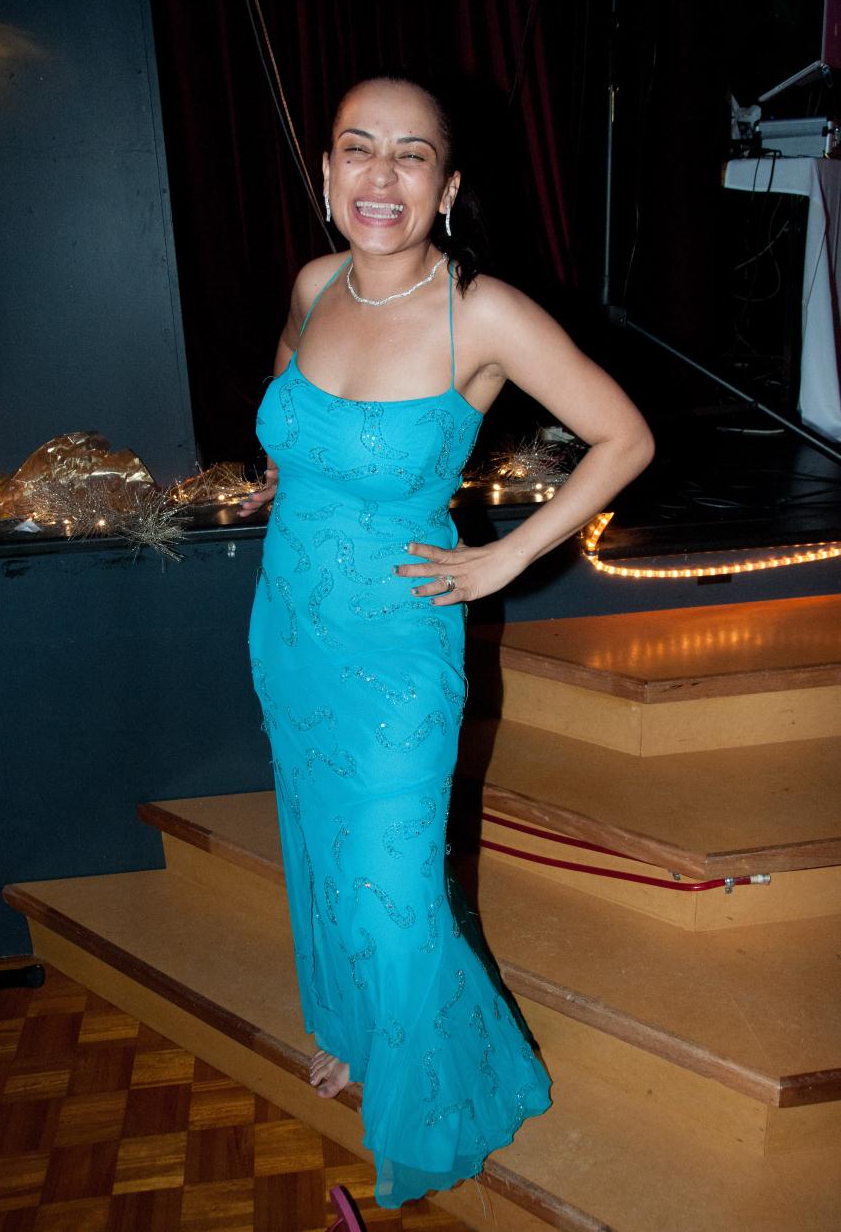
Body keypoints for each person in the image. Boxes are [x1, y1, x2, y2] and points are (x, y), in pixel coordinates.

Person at [238, 76, 654, 1209]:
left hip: (399, 648)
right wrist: (290, 464)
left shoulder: (486, 315)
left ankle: (435, 1089)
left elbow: (624, 437)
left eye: (410, 155)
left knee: (393, 886)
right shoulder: (315, 283)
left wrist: (508, 558)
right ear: (328, 171)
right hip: (291, 625)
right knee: (324, 845)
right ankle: (361, 1027)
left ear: (448, 187)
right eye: (357, 149)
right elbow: (287, 378)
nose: (381, 175)